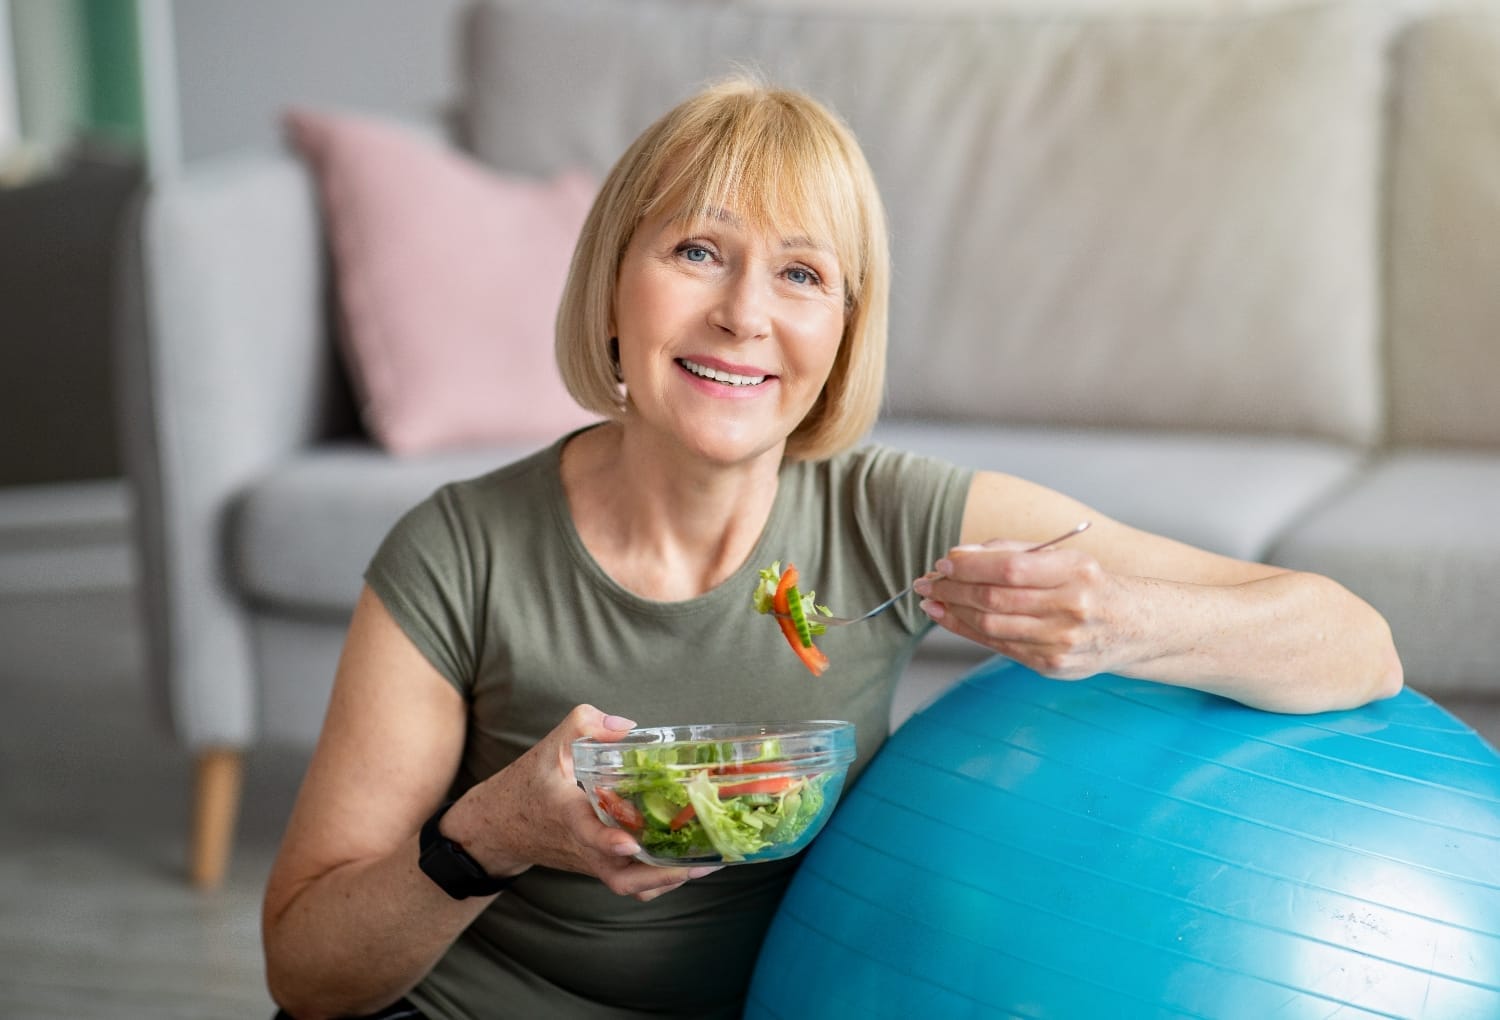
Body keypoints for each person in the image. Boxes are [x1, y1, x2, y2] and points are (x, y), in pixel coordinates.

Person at [261, 77, 1402, 1020]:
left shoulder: (891, 519)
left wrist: (1125, 624)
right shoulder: (457, 551)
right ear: (614, 285)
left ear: (844, 332)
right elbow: (308, 973)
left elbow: (1355, 645)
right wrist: (493, 833)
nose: (745, 315)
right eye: (698, 251)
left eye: (803, 274)